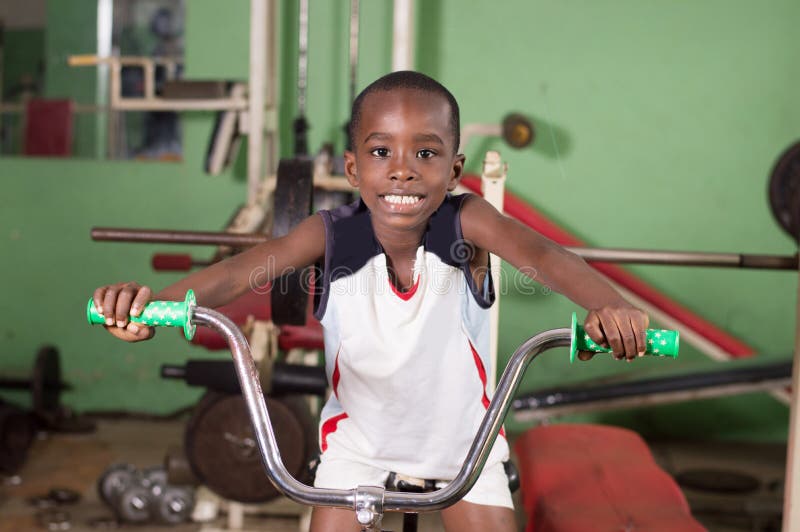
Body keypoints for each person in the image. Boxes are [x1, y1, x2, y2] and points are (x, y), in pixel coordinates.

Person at [93, 71, 649, 531]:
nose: (403, 168)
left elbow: (545, 257)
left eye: (426, 152)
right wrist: (149, 306)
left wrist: (610, 306)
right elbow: (238, 272)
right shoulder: (330, 234)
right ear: (354, 168)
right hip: (357, 448)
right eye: (381, 151)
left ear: (454, 169)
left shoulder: (469, 220)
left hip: (466, 445)